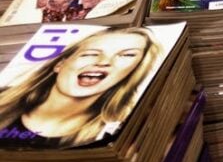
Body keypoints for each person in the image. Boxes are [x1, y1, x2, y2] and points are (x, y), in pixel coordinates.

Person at [0, 27, 161, 148]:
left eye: (127, 55)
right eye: (90, 53)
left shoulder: (122, 134)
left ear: (134, 71)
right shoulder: (3, 97)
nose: (104, 61)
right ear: (60, 64)